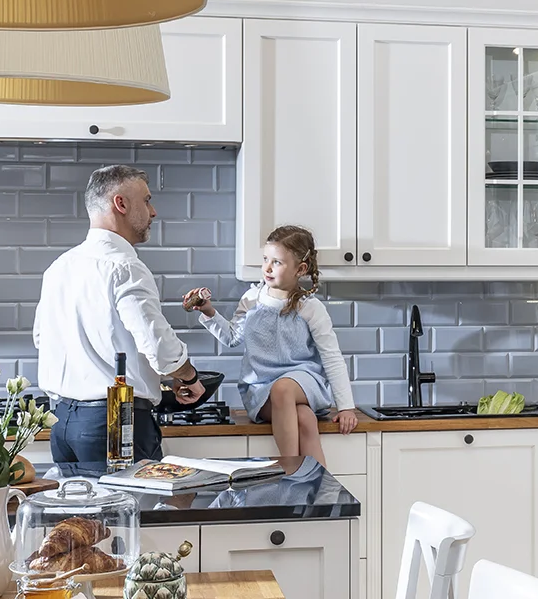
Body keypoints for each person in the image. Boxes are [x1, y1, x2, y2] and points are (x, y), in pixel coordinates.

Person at [34, 164, 206, 465]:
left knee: (80, 514)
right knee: (131, 512)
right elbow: (158, 346)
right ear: (121, 204)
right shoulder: (125, 266)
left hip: (61, 425)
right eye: (147, 200)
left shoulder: (59, 266)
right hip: (114, 420)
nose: (153, 211)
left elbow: (41, 339)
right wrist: (189, 376)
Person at [180, 225, 359, 465]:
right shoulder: (252, 299)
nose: (267, 267)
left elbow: (332, 357)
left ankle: (287, 467)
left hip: (304, 382)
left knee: (284, 389)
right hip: (260, 388)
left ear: (300, 269)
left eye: (277, 262)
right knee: (304, 417)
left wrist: (346, 407)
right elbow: (232, 337)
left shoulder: (310, 308)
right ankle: (319, 493)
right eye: (266, 259)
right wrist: (209, 312)